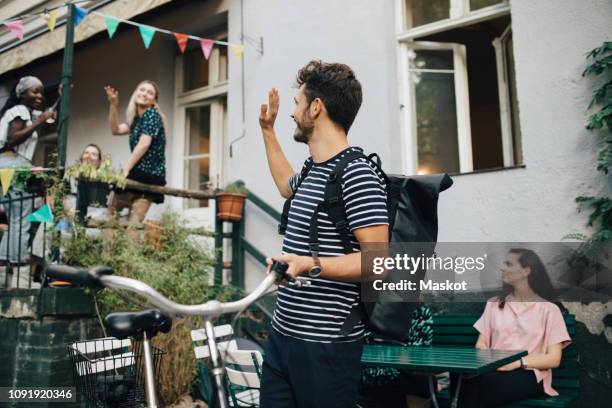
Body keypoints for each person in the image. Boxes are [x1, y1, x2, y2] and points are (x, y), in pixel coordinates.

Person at [258, 60, 389, 407]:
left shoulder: (357, 174)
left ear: (316, 108)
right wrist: (267, 131)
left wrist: (309, 265)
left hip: (326, 346)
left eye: (298, 103)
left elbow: (378, 263)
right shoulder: (314, 170)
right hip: (282, 334)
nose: (293, 112)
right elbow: (287, 187)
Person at [450, 248, 571, 407]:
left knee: (480, 384)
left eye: (509, 264)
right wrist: (489, 362)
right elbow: (481, 344)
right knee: (459, 376)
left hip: (529, 374)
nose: (502, 268)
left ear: (525, 271)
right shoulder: (494, 304)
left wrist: (516, 363)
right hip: (493, 369)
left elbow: (554, 359)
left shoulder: (549, 309)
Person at [0, 76, 55, 268]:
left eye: (41, 91)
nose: (40, 95)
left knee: (17, 217)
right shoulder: (20, 110)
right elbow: (13, 138)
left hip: (8, 165)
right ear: (21, 94)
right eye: (35, 91)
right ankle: (15, 264)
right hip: (13, 165)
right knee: (21, 218)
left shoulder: (22, 112)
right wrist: (39, 121)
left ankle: (6, 262)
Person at [104, 81, 167, 224]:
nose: (144, 93)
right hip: (150, 175)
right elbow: (115, 130)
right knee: (134, 223)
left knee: (111, 214)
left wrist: (125, 171)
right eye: (142, 89)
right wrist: (113, 105)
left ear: (153, 101)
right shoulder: (136, 120)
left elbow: (144, 144)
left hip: (146, 174)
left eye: (150, 93)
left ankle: (110, 242)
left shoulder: (152, 114)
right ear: (136, 92)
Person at [359, 303, 435, 408]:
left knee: (420, 378)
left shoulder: (419, 310)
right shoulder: (365, 307)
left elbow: (419, 352)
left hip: (401, 371)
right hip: (367, 371)